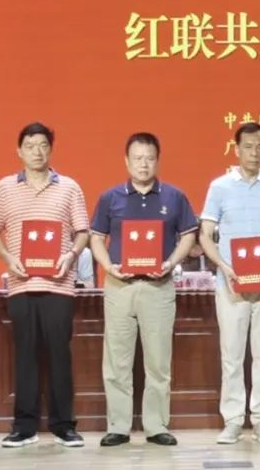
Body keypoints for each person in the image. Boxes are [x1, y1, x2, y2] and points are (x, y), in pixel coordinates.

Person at [90, 132, 198, 448]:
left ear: (157, 160)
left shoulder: (174, 197)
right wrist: (108, 267)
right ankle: (118, 426)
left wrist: (170, 263)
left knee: (158, 361)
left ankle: (156, 425)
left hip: (158, 288)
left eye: (149, 158)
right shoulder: (110, 198)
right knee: (116, 361)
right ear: (126, 161)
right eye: (137, 158)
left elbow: (189, 236)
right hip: (119, 287)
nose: (143, 164)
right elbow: (96, 237)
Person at [0, 122, 89, 448]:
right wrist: (7, 258)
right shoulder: (4, 188)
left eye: (43, 145)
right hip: (21, 283)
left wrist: (71, 255)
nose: (37, 152)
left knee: (60, 356)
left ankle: (64, 425)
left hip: (59, 284)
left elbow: (82, 231)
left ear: (51, 149)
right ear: (19, 151)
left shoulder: (70, 187)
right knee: (25, 356)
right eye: (30, 146)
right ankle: (24, 426)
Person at [199, 122, 260, 445]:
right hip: (231, 283)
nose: (255, 153)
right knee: (232, 355)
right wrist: (224, 267)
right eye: (249, 146)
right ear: (236, 149)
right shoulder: (219, 187)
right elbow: (205, 235)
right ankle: (233, 421)